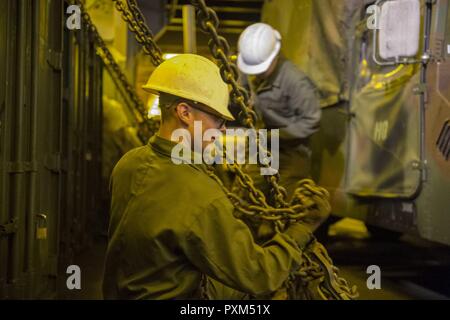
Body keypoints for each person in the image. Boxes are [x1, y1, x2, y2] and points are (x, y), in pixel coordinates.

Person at [102, 54, 329, 299]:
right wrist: (303, 227)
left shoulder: (128, 164)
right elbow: (259, 274)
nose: (222, 129)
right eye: (218, 119)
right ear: (185, 113)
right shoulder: (200, 194)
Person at [237, 23, 322, 199]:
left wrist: (277, 135)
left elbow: (311, 120)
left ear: (274, 56)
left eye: (261, 69)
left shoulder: (295, 81)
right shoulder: (252, 65)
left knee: (287, 202)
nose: (256, 74)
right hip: (260, 144)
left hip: (290, 151)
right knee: (248, 197)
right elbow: (241, 93)